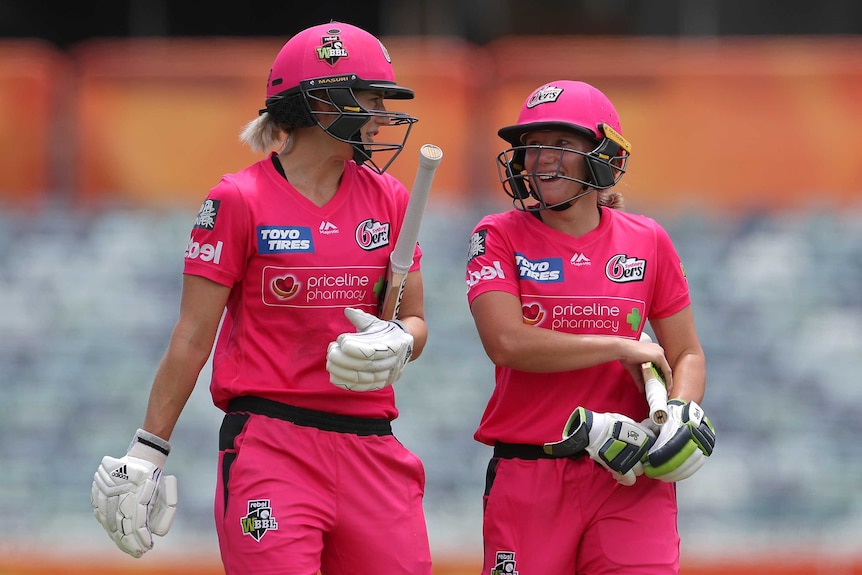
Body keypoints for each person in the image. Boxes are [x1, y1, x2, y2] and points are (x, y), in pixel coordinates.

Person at [91, 21, 433, 575]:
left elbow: (414, 321)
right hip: (273, 448)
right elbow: (192, 336)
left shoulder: (391, 198)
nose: (381, 116)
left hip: (373, 445)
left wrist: (401, 339)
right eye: (370, 99)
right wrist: (147, 449)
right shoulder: (238, 199)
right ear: (321, 101)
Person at [465, 80, 716, 574]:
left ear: (601, 155)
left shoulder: (648, 239)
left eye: (561, 145)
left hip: (632, 479)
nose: (541, 160)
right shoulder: (495, 235)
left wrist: (682, 412)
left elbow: (686, 353)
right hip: (530, 473)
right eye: (532, 147)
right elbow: (506, 342)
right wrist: (618, 346)